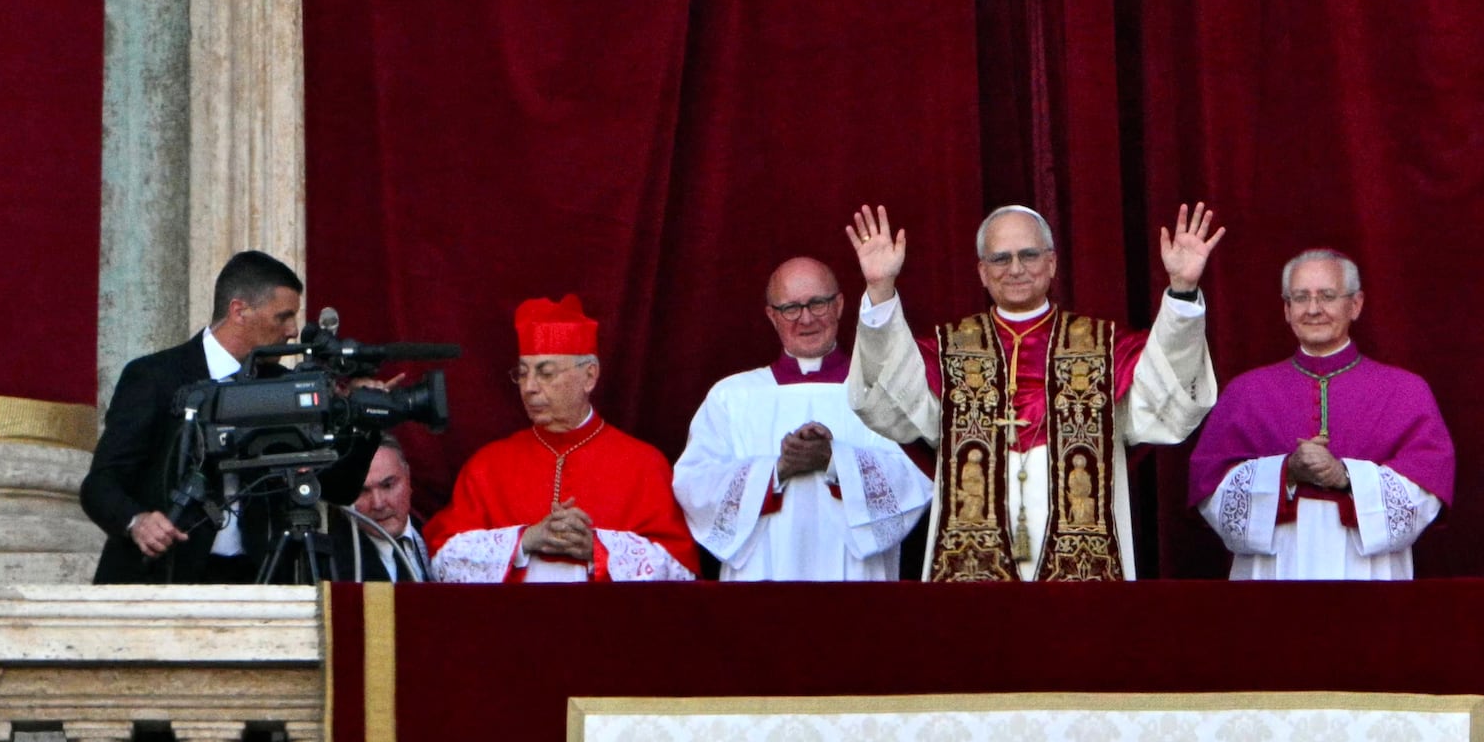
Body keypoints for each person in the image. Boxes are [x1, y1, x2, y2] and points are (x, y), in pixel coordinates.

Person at [846, 197, 1222, 580]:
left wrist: (1182, 290)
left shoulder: (1103, 349)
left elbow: (1166, 395)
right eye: (1000, 258)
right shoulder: (949, 351)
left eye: (1028, 254)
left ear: (1052, 263)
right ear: (981, 271)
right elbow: (893, 402)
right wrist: (880, 291)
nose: (1015, 269)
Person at [1185, 248, 1454, 581]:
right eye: (1300, 298)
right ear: (1286, 309)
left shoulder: (1406, 391)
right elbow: (1211, 490)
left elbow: (1426, 488)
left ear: (1355, 305)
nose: (1313, 309)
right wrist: (1287, 473)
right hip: (1273, 569)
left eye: (1327, 296)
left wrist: (1344, 476)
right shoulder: (1246, 392)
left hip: (1370, 572)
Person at [673, 255, 931, 581]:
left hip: (856, 580)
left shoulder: (881, 391)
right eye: (790, 308)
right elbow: (694, 485)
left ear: (838, 305)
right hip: (761, 576)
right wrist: (777, 469)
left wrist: (836, 460)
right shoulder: (732, 396)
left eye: (817, 304)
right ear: (771, 316)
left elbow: (916, 479)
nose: (806, 319)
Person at [426, 297, 701, 583]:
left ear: (589, 377)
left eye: (546, 373)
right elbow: (442, 560)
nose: (530, 388)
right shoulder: (487, 466)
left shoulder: (644, 464)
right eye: (522, 373)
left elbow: (680, 573)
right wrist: (524, 540)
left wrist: (597, 548)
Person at [83, 249, 308, 583]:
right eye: (283, 317)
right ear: (239, 311)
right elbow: (100, 484)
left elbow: (339, 485)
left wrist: (367, 421)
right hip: (165, 575)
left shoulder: (281, 387)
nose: (293, 331)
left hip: (258, 578)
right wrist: (137, 521)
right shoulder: (155, 377)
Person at [333, 440, 435, 588]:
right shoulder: (333, 560)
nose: (378, 504)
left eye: (388, 485)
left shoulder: (440, 541)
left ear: (408, 477)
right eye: (362, 491)